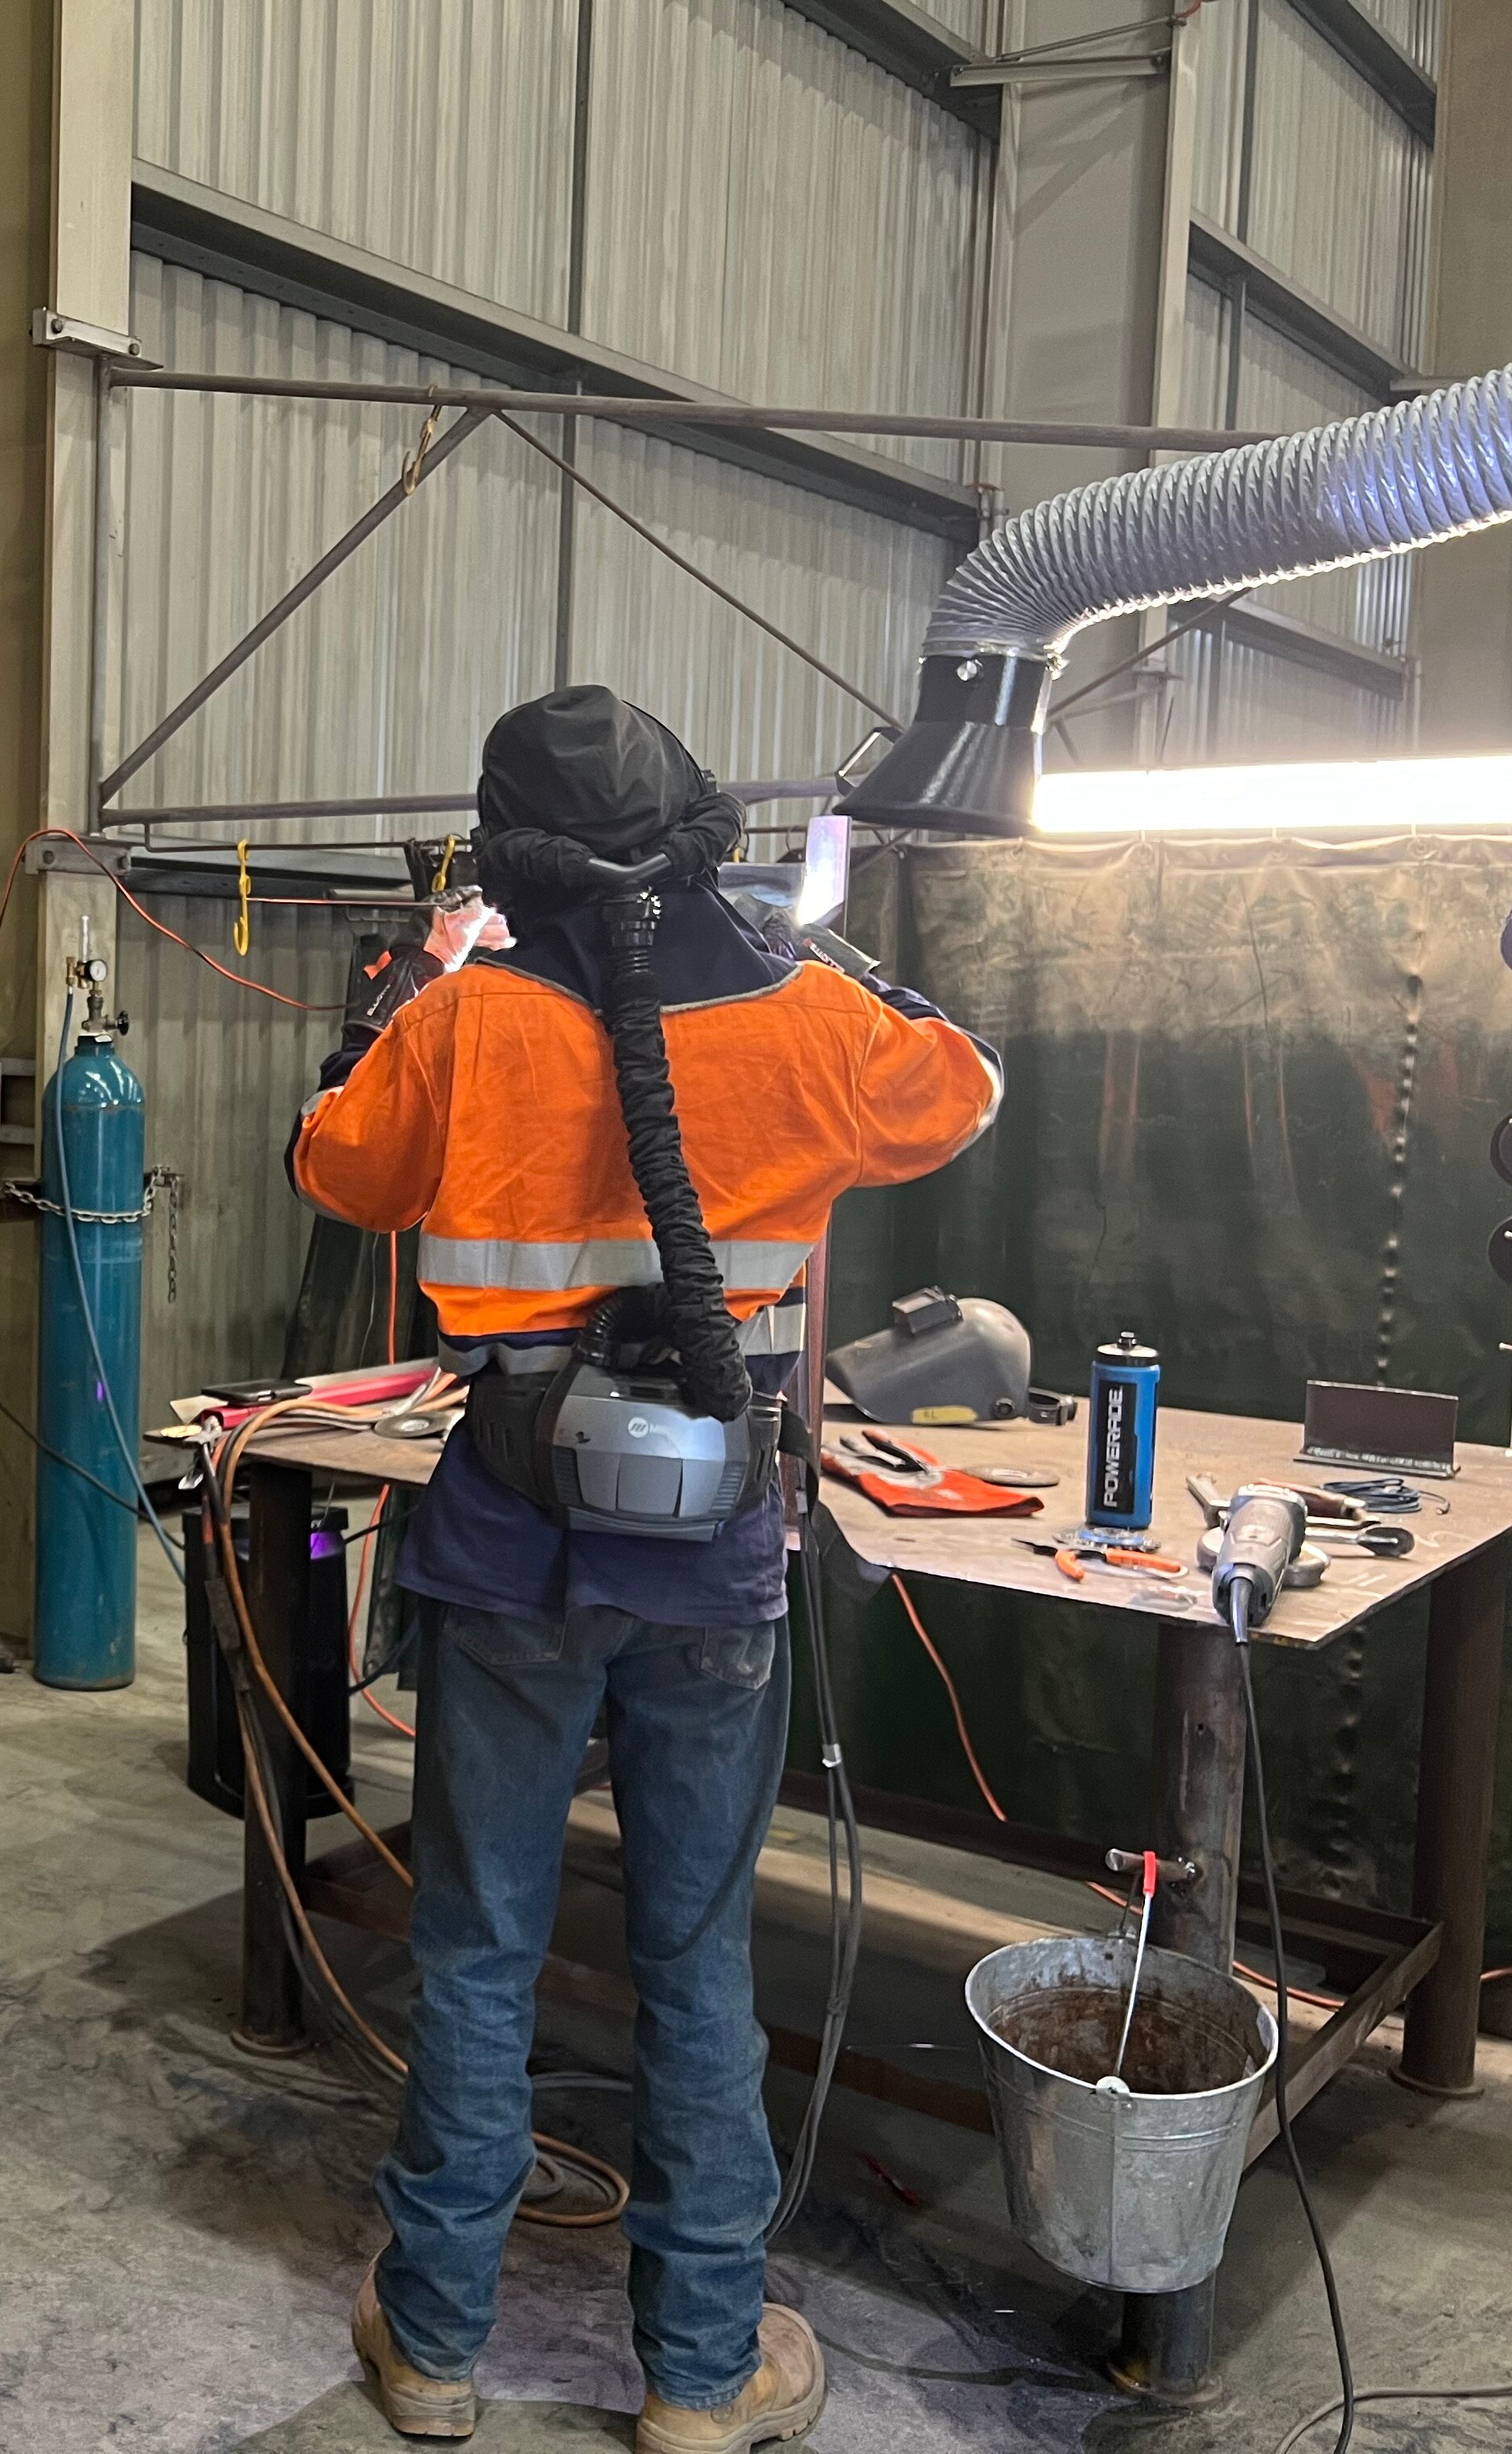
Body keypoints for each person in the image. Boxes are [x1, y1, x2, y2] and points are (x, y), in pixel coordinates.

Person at [288, 687, 1000, 2453]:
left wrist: (406, 999)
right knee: (694, 1957)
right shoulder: (807, 1009)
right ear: (692, 824)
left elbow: (333, 1164)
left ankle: (432, 2348)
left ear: (504, 848)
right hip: (710, 1558)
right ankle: (701, 2373)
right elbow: (966, 1085)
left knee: (478, 1946)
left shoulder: (462, 1019)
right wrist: (829, 965)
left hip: (506, 1537)